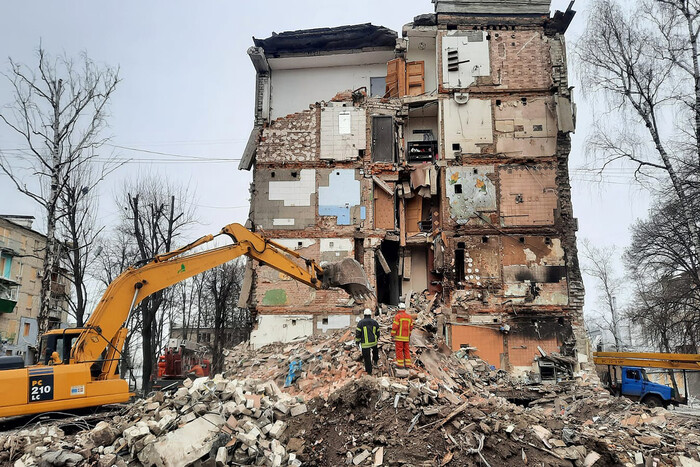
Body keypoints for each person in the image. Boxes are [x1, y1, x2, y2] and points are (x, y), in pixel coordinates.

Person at [355, 308, 380, 375]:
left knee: (367, 358)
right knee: (375, 352)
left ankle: (369, 371)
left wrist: (357, 341)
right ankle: (375, 361)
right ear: (370, 315)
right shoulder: (375, 322)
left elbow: (358, 334)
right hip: (373, 342)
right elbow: (378, 333)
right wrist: (376, 339)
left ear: (364, 315)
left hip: (365, 344)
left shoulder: (360, 323)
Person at [391, 302, 413, 368]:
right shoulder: (409, 317)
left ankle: (400, 364)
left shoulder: (398, 316)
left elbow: (395, 327)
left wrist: (392, 334)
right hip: (406, 338)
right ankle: (408, 364)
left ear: (398, 308)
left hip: (399, 337)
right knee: (406, 350)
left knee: (399, 350)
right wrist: (409, 335)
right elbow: (411, 327)